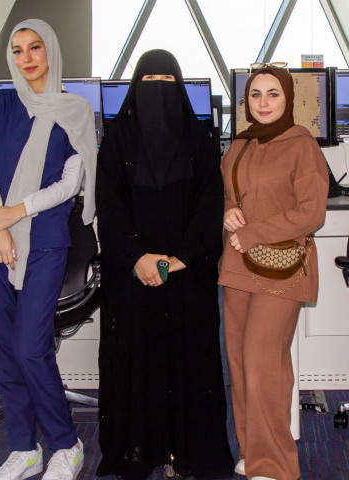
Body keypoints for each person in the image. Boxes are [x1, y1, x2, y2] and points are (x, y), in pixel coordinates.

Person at [0, 19, 98, 480]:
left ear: (51, 51)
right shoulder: (2, 103)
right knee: (4, 346)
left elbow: (69, 184)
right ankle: (24, 448)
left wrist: (15, 213)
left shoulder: (76, 110)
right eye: (18, 50)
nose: (26, 58)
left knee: (30, 346)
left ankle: (65, 442)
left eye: (35, 47)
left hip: (43, 240)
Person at [95, 49, 232, 480]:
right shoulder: (116, 139)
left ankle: (189, 453)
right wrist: (137, 257)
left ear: (180, 87)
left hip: (187, 275)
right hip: (131, 277)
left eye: (167, 81)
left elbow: (210, 205)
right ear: (136, 87)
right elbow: (109, 207)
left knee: (191, 362)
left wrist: (180, 258)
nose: (158, 89)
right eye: (149, 81)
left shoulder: (200, 139)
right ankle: (139, 451)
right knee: (136, 361)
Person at [220, 64, 329, 480]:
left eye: (273, 94)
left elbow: (311, 212)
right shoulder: (239, 144)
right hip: (237, 266)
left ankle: (274, 464)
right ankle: (252, 452)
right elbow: (227, 195)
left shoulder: (302, 145)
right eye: (256, 95)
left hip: (282, 269)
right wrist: (228, 211)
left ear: (288, 99)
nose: (263, 103)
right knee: (239, 363)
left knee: (263, 364)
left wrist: (254, 233)